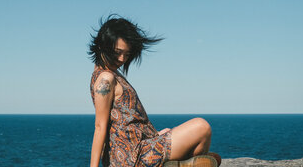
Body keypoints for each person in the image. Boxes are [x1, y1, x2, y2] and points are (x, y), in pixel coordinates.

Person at [88, 14, 221, 167]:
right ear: (102, 46)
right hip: (133, 158)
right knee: (201, 127)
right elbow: (100, 126)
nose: (122, 59)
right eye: (117, 52)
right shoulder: (105, 79)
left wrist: (154, 136)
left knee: (174, 133)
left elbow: (122, 124)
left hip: (138, 149)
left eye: (127, 54)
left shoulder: (107, 74)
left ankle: (179, 163)